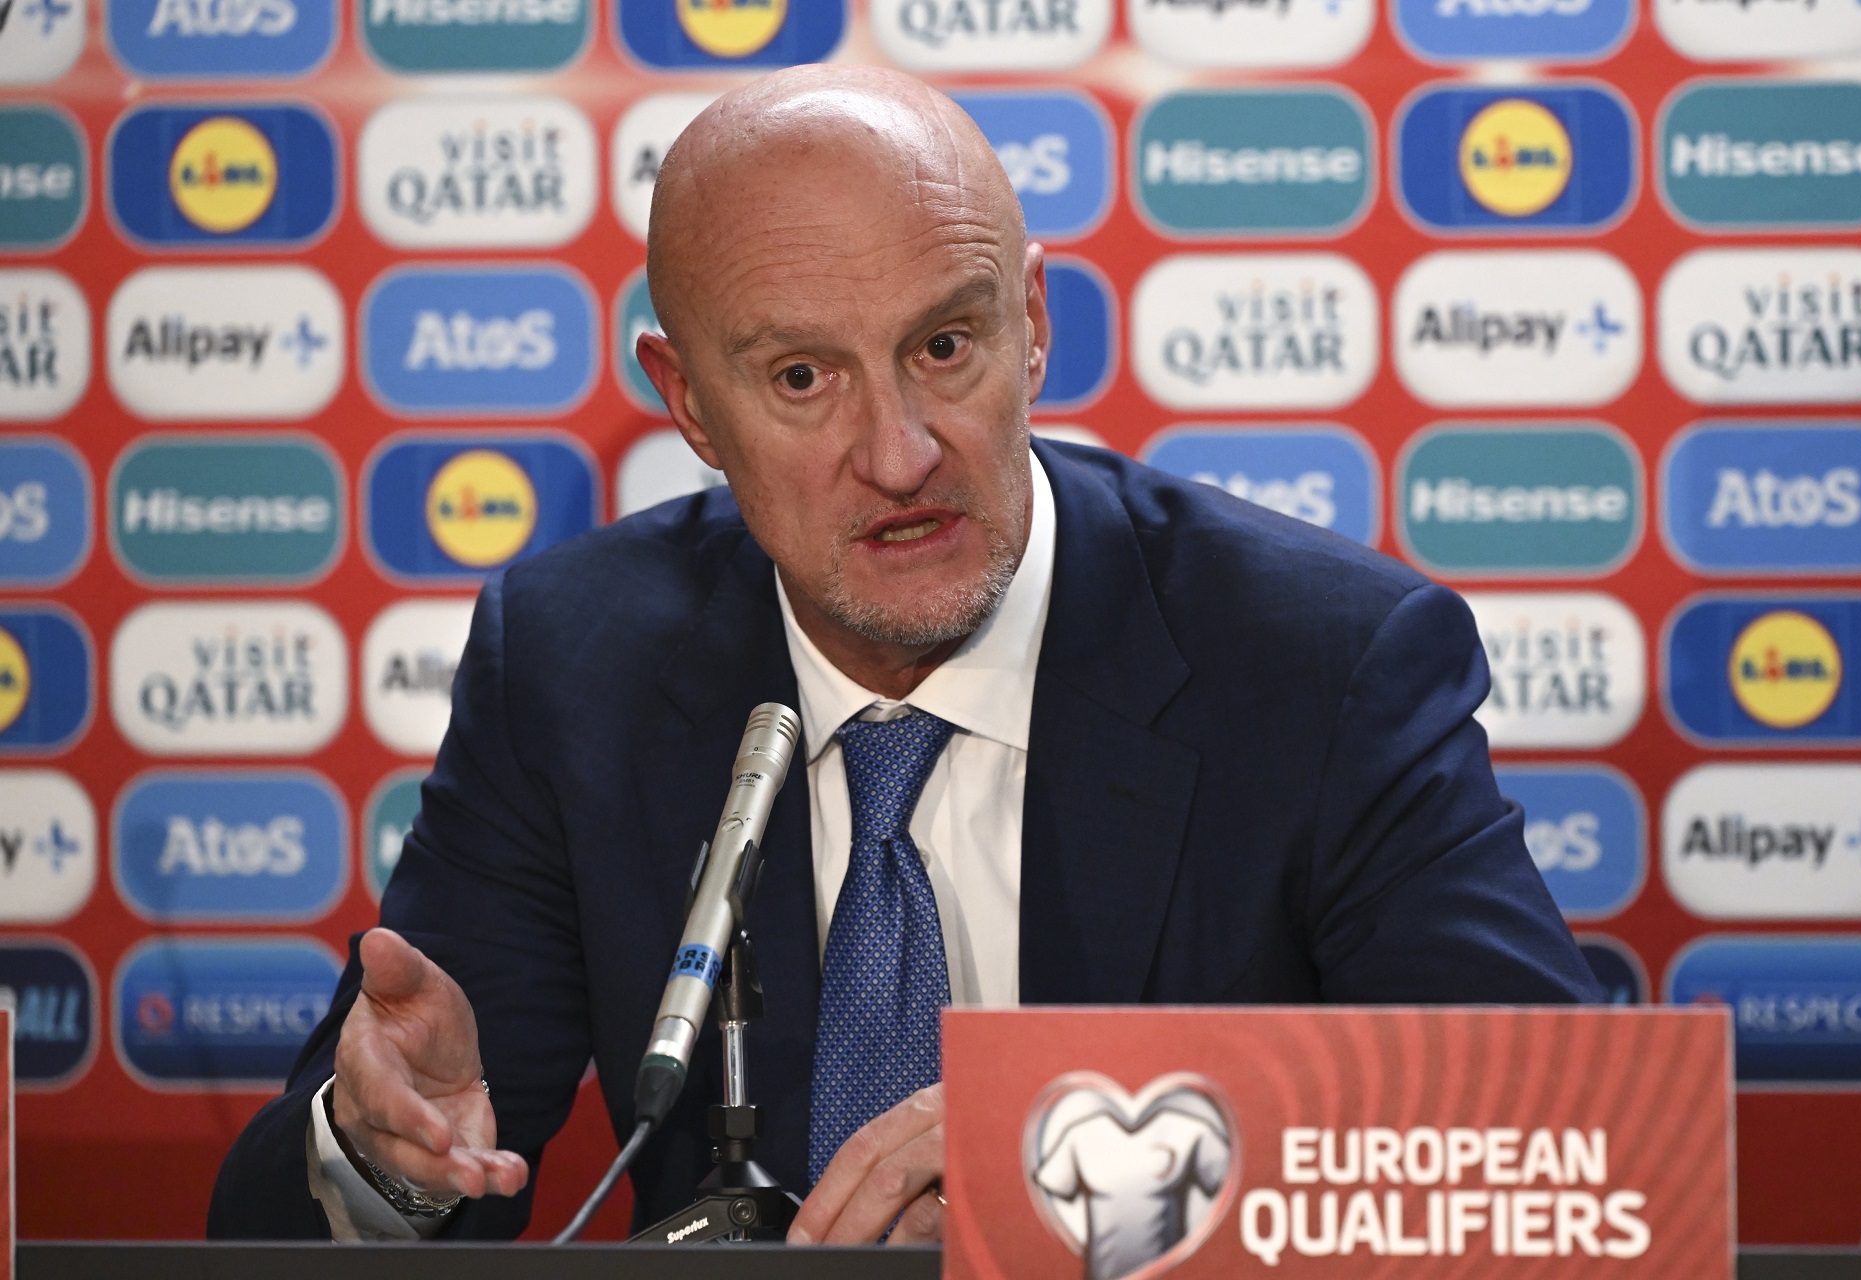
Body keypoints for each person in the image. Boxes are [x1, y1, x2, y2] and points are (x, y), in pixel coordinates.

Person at [208, 64, 1599, 1245]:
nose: (899, 453)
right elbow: (284, 1223)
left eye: (943, 346)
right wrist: (386, 1154)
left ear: (1032, 326)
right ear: (689, 404)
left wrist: (1069, 1158)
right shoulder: (577, 667)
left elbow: (1558, 1143)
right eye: (801, 378)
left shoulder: (1319, 664)